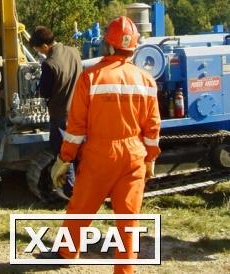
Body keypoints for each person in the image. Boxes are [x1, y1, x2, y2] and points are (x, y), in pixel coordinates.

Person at [49, 16, 161, 273]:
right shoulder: (147, 81)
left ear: (107, 46)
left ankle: (66, 253)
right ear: (133, 47)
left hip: (100, 155)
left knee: (80, 207)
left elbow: (76, 128)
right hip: (134, 155)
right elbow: (152, 129)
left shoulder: (91, 78)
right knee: (129, 220)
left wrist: (64, 159)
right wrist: (150, 158)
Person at [29, 26, 83, 199]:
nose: (39, 52)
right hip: (79, 111)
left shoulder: (50, 64)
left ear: (44, 46)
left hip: (61, 115)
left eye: (38, 49)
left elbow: (44, 92)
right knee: (79, 151)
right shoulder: (74, 52)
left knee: (64, 153)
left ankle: (71, 191)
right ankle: (83, 187)